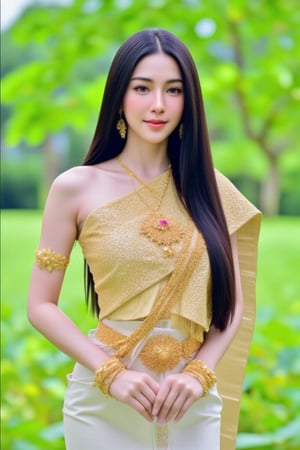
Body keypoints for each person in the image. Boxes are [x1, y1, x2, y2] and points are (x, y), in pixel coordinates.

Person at [27, 28, 262, 450]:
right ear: (119, 95)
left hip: (190, 400)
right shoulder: (75, 188)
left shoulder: (211, 188)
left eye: (173, 90)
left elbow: (235, 305)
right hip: (104, 400)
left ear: (188, 102)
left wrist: (199, 374)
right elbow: (40, 305)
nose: (158, 105)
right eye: (142, 88)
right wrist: (111, 374)